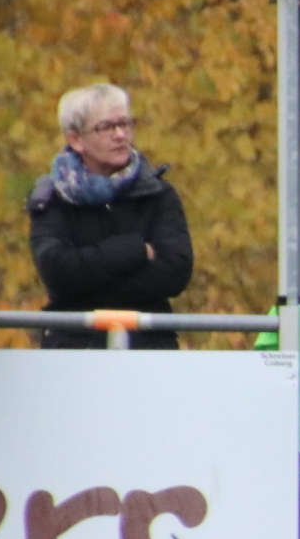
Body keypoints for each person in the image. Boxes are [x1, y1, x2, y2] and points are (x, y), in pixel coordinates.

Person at [27, 83, 193, 349]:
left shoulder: (157, 192)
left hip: (149, 346)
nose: (120, 135)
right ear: (76, 140)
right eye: (106, 127)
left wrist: (86, 284)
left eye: (125, 124)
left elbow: (175, 272)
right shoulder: (53, 197)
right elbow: (58, 273)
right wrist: (135, 249)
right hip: (73, 348)